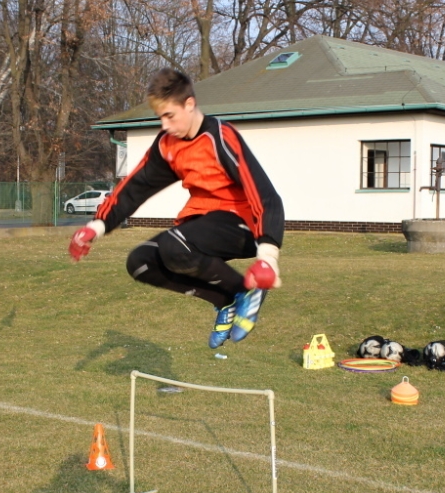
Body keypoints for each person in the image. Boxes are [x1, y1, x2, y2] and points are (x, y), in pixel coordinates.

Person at [69, 68, 285, 348]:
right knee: (141, 262)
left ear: (189, 104)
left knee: (174, 245)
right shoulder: (167, 144)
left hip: (244, 225)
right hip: (203, 224)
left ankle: (247, 290)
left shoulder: (219, 137)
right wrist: (96, 226)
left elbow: (265, 195)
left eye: (170, 115)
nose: (165, 124)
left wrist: (268, 256)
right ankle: (227, 299)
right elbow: (136, 186)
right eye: (160, 117)